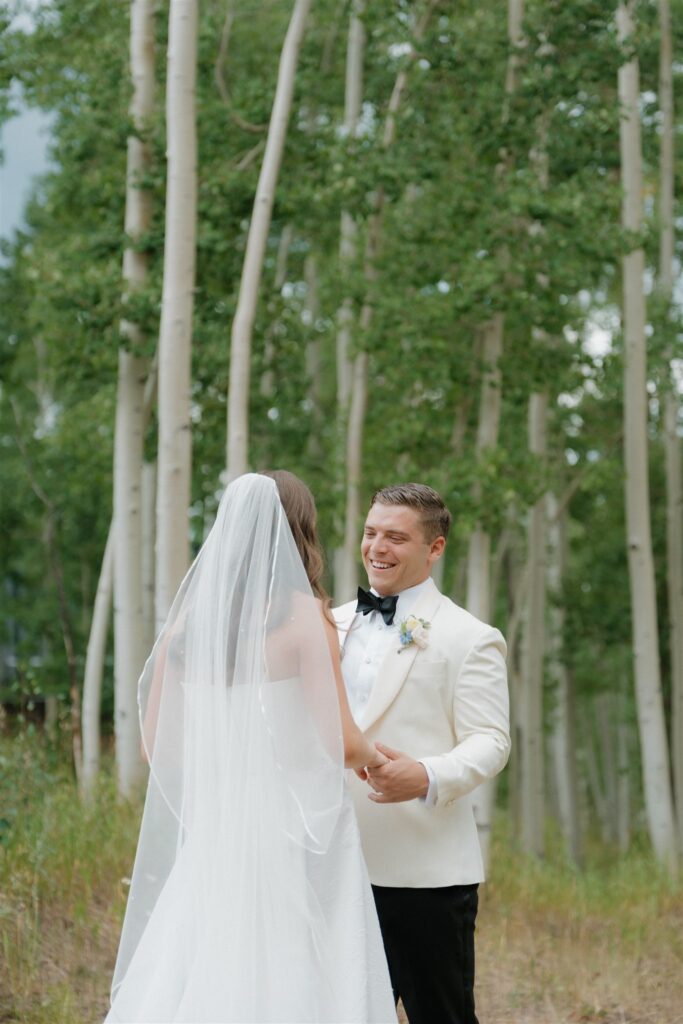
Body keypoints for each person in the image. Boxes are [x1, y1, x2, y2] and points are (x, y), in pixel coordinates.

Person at [105, 471, 397, 1024]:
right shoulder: (306, 619)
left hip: (217, 829)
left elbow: (155, 751)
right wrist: (382, 761)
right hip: (294, 832)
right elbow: (340, 741)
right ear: (301, 534)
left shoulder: (189, 625)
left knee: (206, 961)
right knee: (301, 966)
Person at [333, 482, 511, 1024]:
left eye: (395, 537)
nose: (376, 548)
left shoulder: (469, 637)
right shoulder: (329, 624)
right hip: (333, 866)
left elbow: (491, 740)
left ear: (434, 549)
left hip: (426, 877)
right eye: (370, 533)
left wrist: (428, 775)